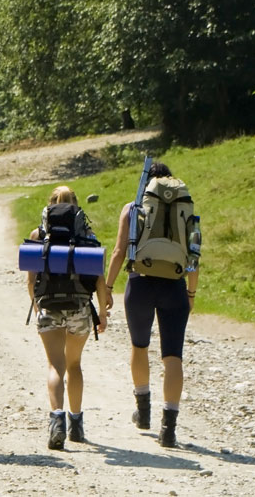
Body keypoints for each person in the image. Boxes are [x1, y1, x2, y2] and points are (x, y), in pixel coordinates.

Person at [103, 162, 199, 448]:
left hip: (141, 282)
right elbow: (194, 256)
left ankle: (143, 413)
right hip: (175, 286)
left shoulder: (133, 208)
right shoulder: (186, 208)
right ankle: (168, 429)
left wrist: (107, 288)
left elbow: (120, 251)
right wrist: (191, 294)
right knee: (173, 357)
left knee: (140, 346)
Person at [27, 186, 108, 448]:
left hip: (49, 306)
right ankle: (76, 425)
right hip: (79, 309)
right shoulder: (87, 234)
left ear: (50, 205)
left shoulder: (38, 235)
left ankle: (56, 420)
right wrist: (103, 313)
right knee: (74, 365)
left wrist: (37, 306)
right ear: (76, 205)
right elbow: (98, 281)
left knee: (55, 366)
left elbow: (31, 281)